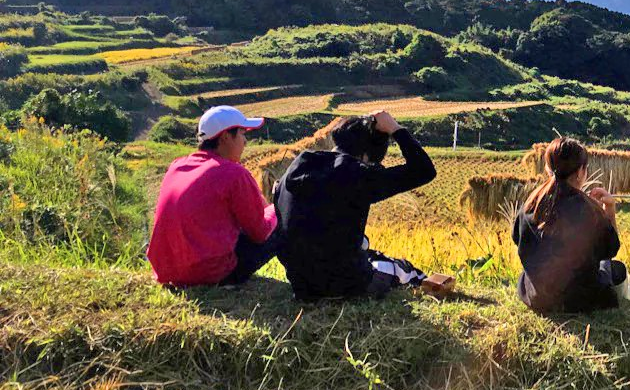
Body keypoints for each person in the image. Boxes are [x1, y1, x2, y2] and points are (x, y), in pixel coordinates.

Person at [273, 111, 453, 301]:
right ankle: (424, 283)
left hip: (299, 283)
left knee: (358, 245)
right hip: (343, 284)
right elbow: (424, 170)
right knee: (403, 269)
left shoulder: (299, 165)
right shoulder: (357, 174)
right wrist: (395, 129)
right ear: (366, 155)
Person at [147, 106, 279, 287]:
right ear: (225, 137)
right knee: (285, 213)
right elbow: (260, 233)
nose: (245, 142)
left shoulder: (177, 166)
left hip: (168, 272)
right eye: (242, 134)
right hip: (211, 274)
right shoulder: (234, 173)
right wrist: (277, 206)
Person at [513, 137, 630, 313]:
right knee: (615, 268)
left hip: (536, 297)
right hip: (579, 301)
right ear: (580, 172)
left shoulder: (531, 204)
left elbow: (517, 238)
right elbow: (611, 249)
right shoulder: (589, 209)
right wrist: (609, 209)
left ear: (548, 169)